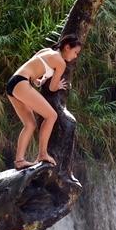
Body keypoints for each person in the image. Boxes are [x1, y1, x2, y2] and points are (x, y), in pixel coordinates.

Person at [6, 34, 82, 170]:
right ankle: (42, 154)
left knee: (30, 124)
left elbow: (32, 67)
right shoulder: (60, 62)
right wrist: (58, 85)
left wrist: (39, 81)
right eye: (75, 52)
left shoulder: (46, 51)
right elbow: (52, 88)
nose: (75, 56)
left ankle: (19, 161)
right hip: (22, 83)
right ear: (67, 47)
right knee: (51, 116)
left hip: (13, 83)